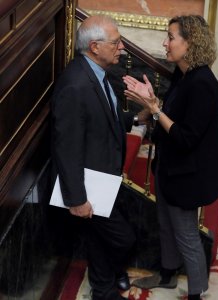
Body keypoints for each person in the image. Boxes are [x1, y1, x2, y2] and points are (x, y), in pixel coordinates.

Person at [123, 15, 218, 300]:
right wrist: (148, 108)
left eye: (170, 37)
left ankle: (197, 292)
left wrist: (154, 109)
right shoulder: (184, 73)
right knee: (166, 227)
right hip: (170, 168)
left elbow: (185, 138)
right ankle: (168, 275)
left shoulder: (203, 83)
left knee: (187, 236)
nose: (165, 43)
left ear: (189, 42)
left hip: (188, 175)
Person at [50, 15, 148, 300]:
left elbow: (103, 116)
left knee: (99, 237)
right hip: (89, 186)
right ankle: (109, 279)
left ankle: (103, 288)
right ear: (94, 46)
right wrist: (77, 199)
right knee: (122, 238)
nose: (122, 48)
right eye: (116, 43)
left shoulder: (99, 74)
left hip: (105, 178)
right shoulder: (75, 85)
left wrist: (136, 117)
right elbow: (66, 147)